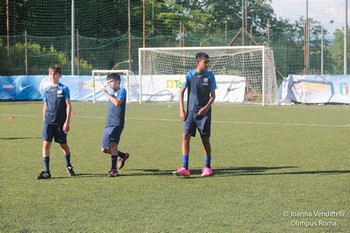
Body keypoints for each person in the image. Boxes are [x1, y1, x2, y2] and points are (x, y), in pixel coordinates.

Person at [173, 52, 217, 177]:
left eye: (208, 62)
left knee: (205, 139)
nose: (208, 64)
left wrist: (206, 108)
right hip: (191, 112)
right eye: (205, 62)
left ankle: (207, 167)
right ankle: (184, 167)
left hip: (205, 114)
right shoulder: (190, 75)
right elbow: (181, 92)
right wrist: (182, 110)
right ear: (198, 62)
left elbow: (213, 96)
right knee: (185, 136)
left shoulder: (210, 76)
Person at [37, 65, 75, 179]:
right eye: (50, 74)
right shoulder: (47, 90)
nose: (52, 76)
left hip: (60, 123)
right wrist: (44, 121)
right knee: (46, 145)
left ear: (60, 75)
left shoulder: (64, 88)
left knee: (64, 146)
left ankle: (68, 164)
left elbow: (68, 106)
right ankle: (47, 171)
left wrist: (67, 122)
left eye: (55, 74)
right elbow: (45, 105)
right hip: (48, 122)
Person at [100, 73, 130, 177]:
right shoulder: (112, 93)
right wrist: (109, 93)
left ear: (118, 81)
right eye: (108, 82)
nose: (110, 84)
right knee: (104, 149)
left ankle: (113, 170)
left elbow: (117, 103)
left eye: (111, 81)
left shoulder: (122, 91)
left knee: (113, 144)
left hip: (117, 123)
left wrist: (106, 93)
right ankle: (123, 155)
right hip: (108, 124)